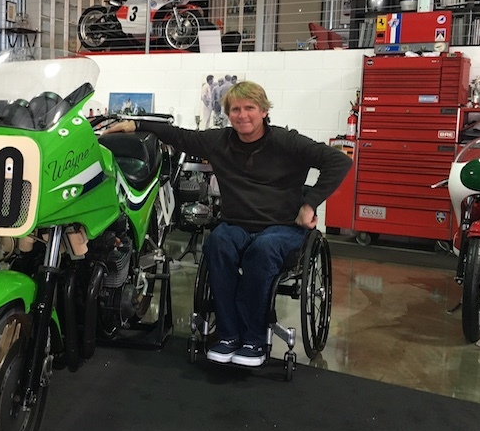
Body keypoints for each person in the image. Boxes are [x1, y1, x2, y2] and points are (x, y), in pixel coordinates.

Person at [103, 81, 352, 367]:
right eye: (236, 109)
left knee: (263, 249)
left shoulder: (286, 142)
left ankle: (254, 340)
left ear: (264, 111)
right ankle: (228, 335)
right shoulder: (219, 141)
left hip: (282, 227)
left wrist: (311, 204)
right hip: (237, 225)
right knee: (217, 242)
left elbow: (338, 161)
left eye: (250, 108)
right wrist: (134, 124)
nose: (242, 115)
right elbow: (178, 135)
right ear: (228, 113)